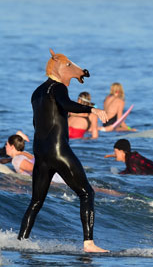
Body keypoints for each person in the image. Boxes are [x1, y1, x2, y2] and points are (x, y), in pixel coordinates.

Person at [18, 49, 109, 253]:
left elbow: (36, 122)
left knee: (36, 201)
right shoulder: (57, 87)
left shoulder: (36, 92)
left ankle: (21, 241)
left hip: (40, 151)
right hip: (58, 149)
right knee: (87, 193)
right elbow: (67, 104)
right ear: (59, 67)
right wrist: (92, 109)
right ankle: (89, 244)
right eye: (68, 66)